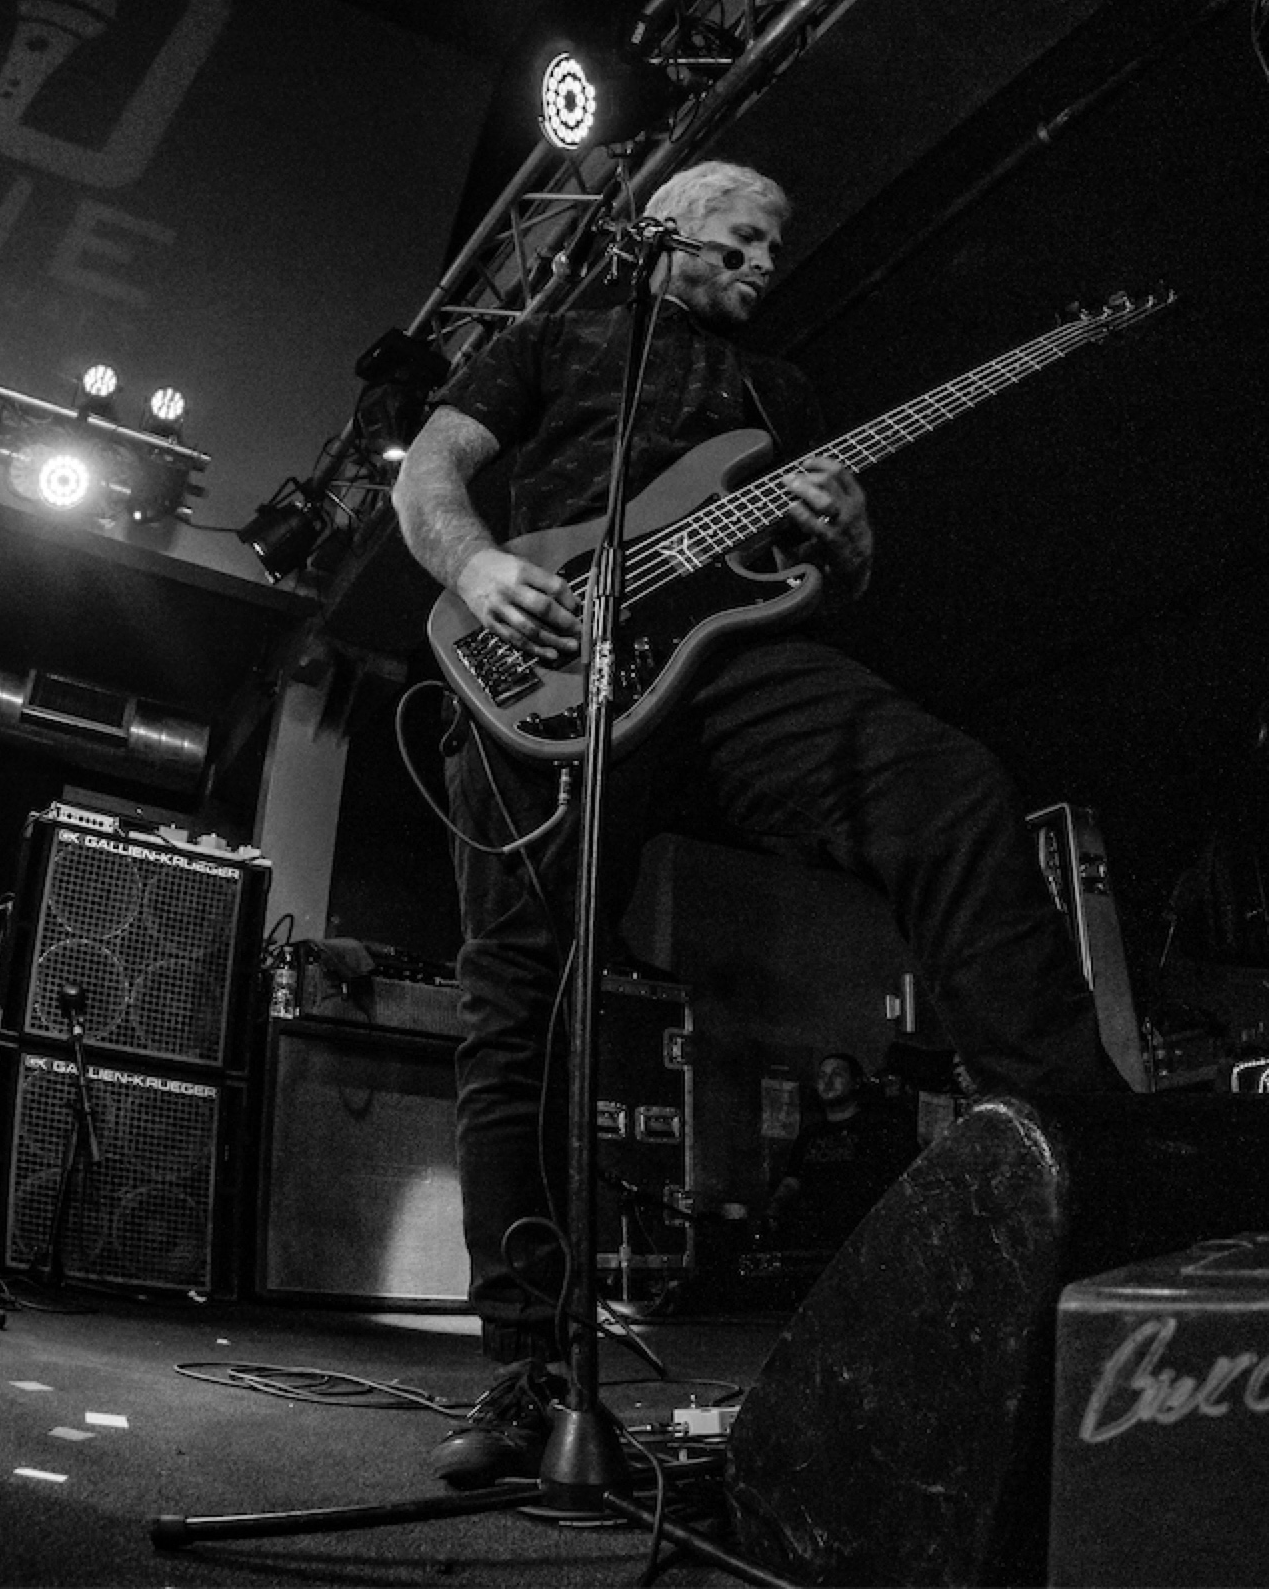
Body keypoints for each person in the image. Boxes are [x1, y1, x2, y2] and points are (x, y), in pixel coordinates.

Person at [391, 160, 1123, 1489]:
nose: (769, 261)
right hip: (539, 664)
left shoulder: (776, 394)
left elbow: (823, 579)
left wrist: (847, 540)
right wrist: (479, 564)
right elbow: (429, 474)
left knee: (946, 787)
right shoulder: (557, 340)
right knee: (519, 1003)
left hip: (721, 667)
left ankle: (1088, 1180)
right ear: (668, 226)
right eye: (748, 236)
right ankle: (529, 1371)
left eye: (781, 245)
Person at [762, 1051, 919, 1249]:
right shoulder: (809, 1134)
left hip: (861, 1239)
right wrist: (774, 1209)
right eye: (822, 1076)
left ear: (856, 1082)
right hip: (814, 1239)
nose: (827, 1082)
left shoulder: (878, 1129)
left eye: (837, 1074)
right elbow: (792, 1181)